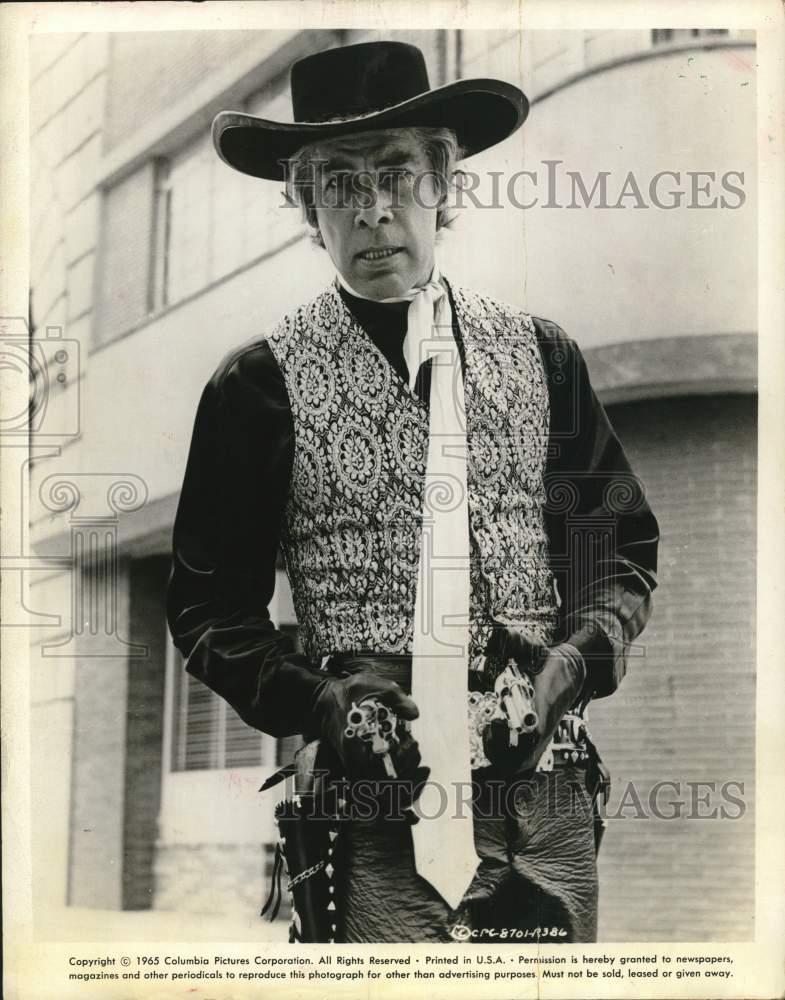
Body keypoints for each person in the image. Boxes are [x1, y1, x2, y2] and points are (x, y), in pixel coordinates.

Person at [167, 39, 659, 944]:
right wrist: (323, 705)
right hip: (370, 811)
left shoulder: (543, 359)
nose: (374, 211)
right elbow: (207, 613)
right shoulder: (255, 389)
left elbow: (618, 558)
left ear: (445, 186)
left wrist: (563, 672)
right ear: (307, 211)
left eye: (397, 174)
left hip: (540, 803)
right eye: (338, 186)